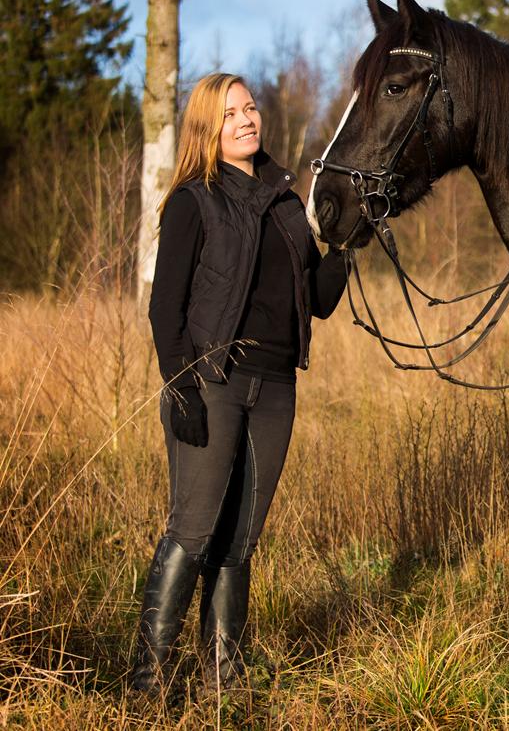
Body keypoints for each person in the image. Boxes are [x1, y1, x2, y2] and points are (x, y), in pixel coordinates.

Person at [130, 73, 347, 697]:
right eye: (231, 114)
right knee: (193, 531)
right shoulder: (193, 202)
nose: (248, 120)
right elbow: (164, 309)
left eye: (250, 108)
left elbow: (321, 302)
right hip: (212, 383)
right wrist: (183, 388)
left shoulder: (285, 201)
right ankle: (147, 683)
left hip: (276, 389)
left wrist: (346, 249)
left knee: (239, 540)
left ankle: (223, 683)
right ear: (208, 129)